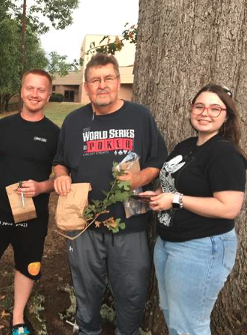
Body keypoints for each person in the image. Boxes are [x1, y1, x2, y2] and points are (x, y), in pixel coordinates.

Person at [53, 53, 167, 335]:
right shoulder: (74, 121)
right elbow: (60, 160)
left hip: (130, 221)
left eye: (108, 78)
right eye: (95, 80)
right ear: (86, 85)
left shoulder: (140, 116)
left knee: (131, 288)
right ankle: (88, 330)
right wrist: (62, 175)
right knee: (86, 286)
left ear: (118, 81)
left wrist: (139, 177)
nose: (101, 85)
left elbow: (156, 161)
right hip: (85, 223)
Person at [141, 84, 246, 335]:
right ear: (191, 109)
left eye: (215, 108)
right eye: (199, 106)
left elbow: (229, 208)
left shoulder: (225, 153)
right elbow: (173, 186)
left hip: (201, 247)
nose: (205, 112)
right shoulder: (186, 146)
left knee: (189, 324)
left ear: (226, 116)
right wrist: (157, 195)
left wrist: (175, 200)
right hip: (169, 243)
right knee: (172, 315)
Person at [0, 69, 60, 335]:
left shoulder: (56, 134)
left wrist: (42, 186)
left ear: (48, 95)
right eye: (30, 88)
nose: (34, 94)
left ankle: (18, 317)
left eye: (41, 90)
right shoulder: (1, 127)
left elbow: (62, 176)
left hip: (32, 210)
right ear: (21, 91)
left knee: (28, 262)